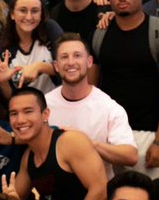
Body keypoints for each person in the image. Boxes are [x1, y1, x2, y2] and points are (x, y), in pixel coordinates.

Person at [91, 0, 159, 179]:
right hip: (106, 134)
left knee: (144, 197)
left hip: (146, 136)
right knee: (103, 196)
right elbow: (91, 89)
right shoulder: (100, 32)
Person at [44, 34, 138, 178]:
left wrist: (87, 143)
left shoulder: (109, 107)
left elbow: (131, 156)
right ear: (56, 66)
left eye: (77, 56)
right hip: (54, 189)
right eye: (64, 57)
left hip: (100, 188)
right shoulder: (45, 104)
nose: (71, 62)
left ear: (89, 62)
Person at [0, 0, 63, 98]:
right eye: (23, 10)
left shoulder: (50, 30)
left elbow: (67, 66)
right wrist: (3, 82)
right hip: (23, 107)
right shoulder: (0, 50)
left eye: (34, 11)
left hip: (57, 104)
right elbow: (10, 99)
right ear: (12, 14)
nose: (29, 17)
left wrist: (39, 67)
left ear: (41, 14)